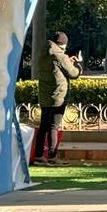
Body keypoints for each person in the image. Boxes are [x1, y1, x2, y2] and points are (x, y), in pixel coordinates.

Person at [33, 31, 81, 165]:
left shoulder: (43, 54)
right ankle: (52, 156)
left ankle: (38, 156)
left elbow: (56, 67)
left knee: (43, 126)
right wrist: (77, 64)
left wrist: (67, 60)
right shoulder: (60, 56)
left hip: (44, 96)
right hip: (58, 97)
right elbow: (73, 73)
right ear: (63, 44)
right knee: (54, 127)